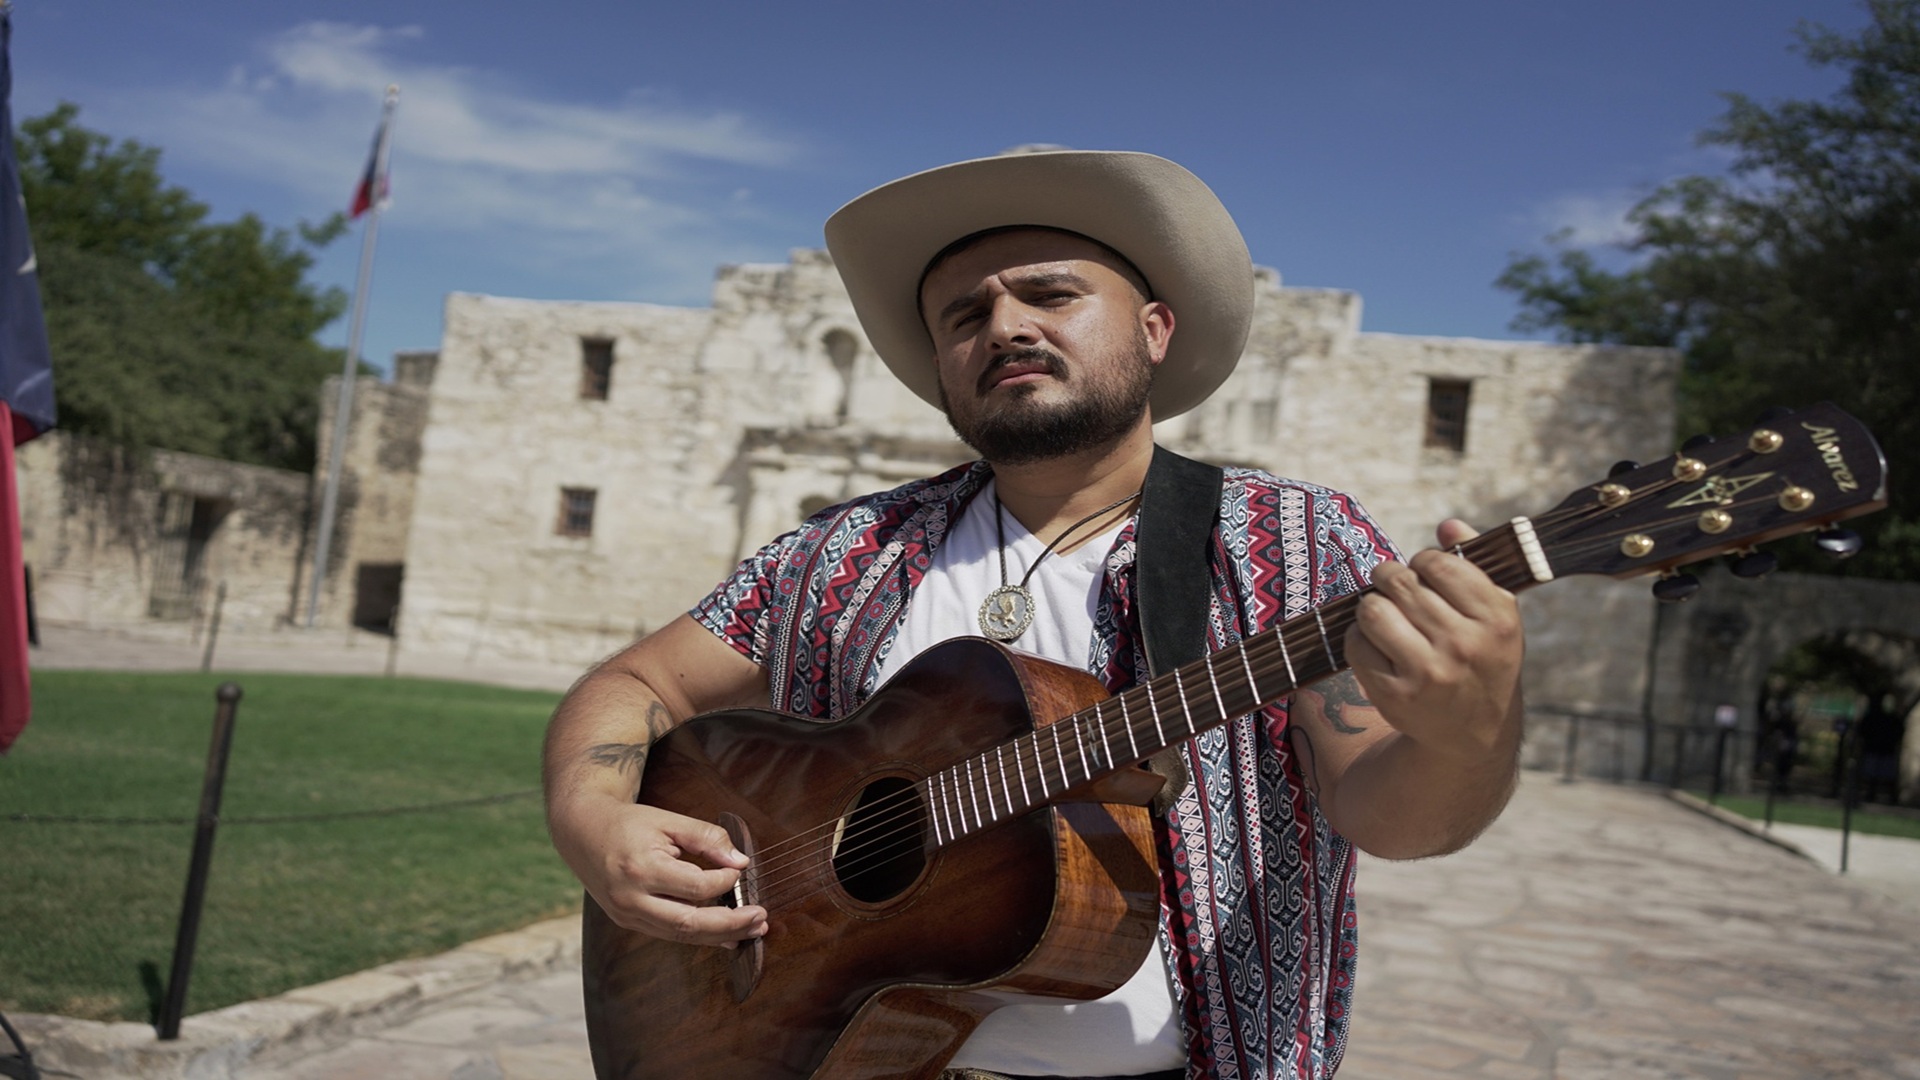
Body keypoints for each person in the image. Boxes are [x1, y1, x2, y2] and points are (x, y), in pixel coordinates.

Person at [543, 150, 1526, 1079]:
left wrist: (1469, 732)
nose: (1007, 326)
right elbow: (637, 682)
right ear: (941, 364)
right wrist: (591, 818)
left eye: (1052, 294)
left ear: (1154, 329)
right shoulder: (844, 550)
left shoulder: (1291, 541)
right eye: (965, 314)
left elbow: (1389, 814)